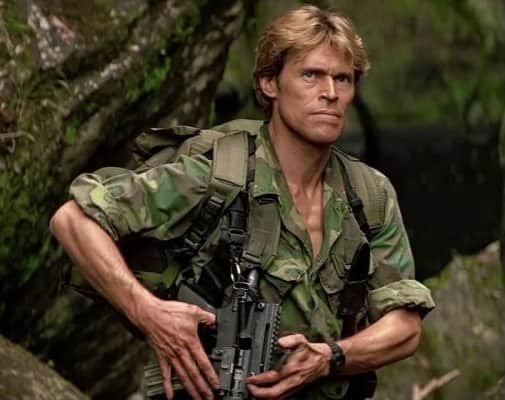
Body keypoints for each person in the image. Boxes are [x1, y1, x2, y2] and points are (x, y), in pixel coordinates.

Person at [50, 5, 435, 400]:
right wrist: (149, 314)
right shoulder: (221, 173)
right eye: (311, 75)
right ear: (269, 83)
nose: (331, 93)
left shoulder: (368, 194)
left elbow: (405, 327)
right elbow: (73, 219)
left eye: (343, 79)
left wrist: (331, 357)